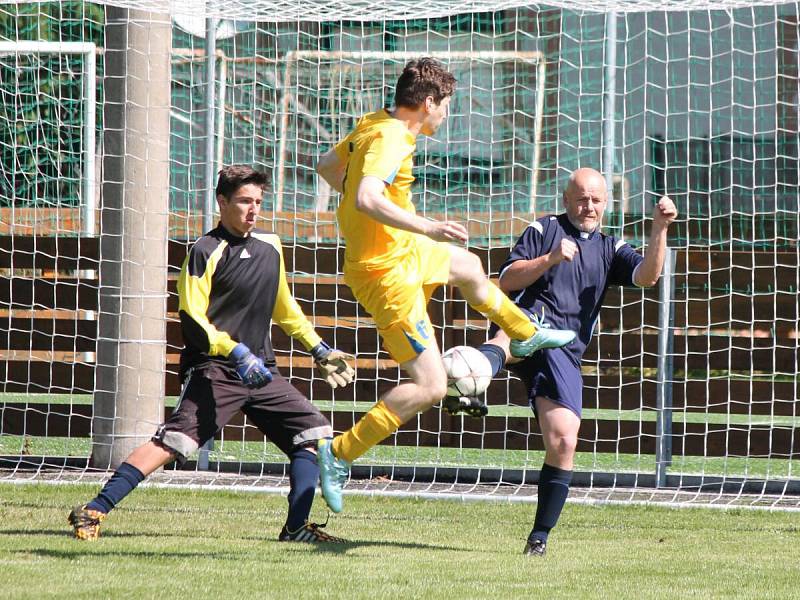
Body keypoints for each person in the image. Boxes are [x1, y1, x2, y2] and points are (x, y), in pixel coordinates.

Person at [313, 57, 575, 514]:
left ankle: (525, 332)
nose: (446, 115)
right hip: (386, 276)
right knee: (431, 386)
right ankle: (339, 454)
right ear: (429, 102)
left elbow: (328, 168)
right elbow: (365, 195)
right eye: (445, 105)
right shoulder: (392, 137)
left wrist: (386, 224)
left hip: (403, 251)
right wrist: (426, 226)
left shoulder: (376, 122)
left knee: (470, 267)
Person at [68, 165, 355, 543]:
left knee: (313, 434)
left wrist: (318, 349)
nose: (253, 209)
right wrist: (235, 351)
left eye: (258, 202)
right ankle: (93, 510)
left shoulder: (271, 248)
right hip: (216, 370)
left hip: (262, 372)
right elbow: (193, 316)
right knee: (174, 443)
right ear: (222, 201)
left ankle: (296, 528)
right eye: (244, 202)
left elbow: (284, 308)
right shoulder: (205, 250)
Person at [471, 167, 677, 556]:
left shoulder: (611, 248)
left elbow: (647, 276)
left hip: (563, 350)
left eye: (596, 199)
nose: (589, 206)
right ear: (566, 199)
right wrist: (549, 258)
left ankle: (539, 537)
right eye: (581, 198)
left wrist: (659, 228)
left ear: (606, 204)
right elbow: (508, 280)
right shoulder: (543, 229)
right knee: (512, 335)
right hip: (528, 325)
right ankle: (469, 382)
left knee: (564, 440)